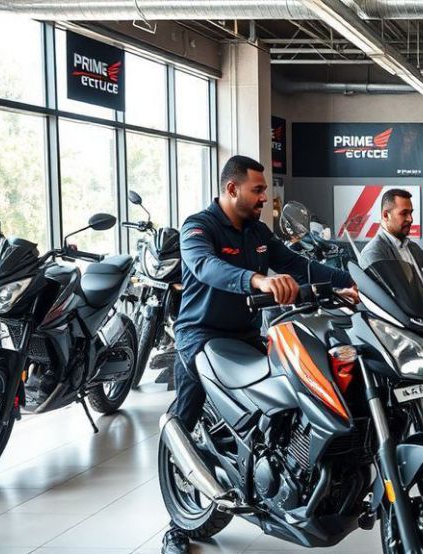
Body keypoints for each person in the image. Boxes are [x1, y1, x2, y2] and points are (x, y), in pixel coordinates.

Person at [162, 156, 357, 554]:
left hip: (247, 335)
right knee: (186, 416)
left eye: (264, 189)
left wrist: (353, 280)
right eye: (258, 190)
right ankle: (178, 526)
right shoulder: (199, 226)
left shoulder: (257, 231)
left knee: (278, 400)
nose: (265, 197)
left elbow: (298, 264)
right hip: (199, 335)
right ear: (232, 189)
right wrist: (256, 279)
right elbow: (204, 267)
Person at [357, 188, 423, 282]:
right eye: (404, 213)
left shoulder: (413, 247)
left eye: (411, 213)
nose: (410, 219)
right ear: (386, 215)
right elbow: (386, 292)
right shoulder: (373, 253)